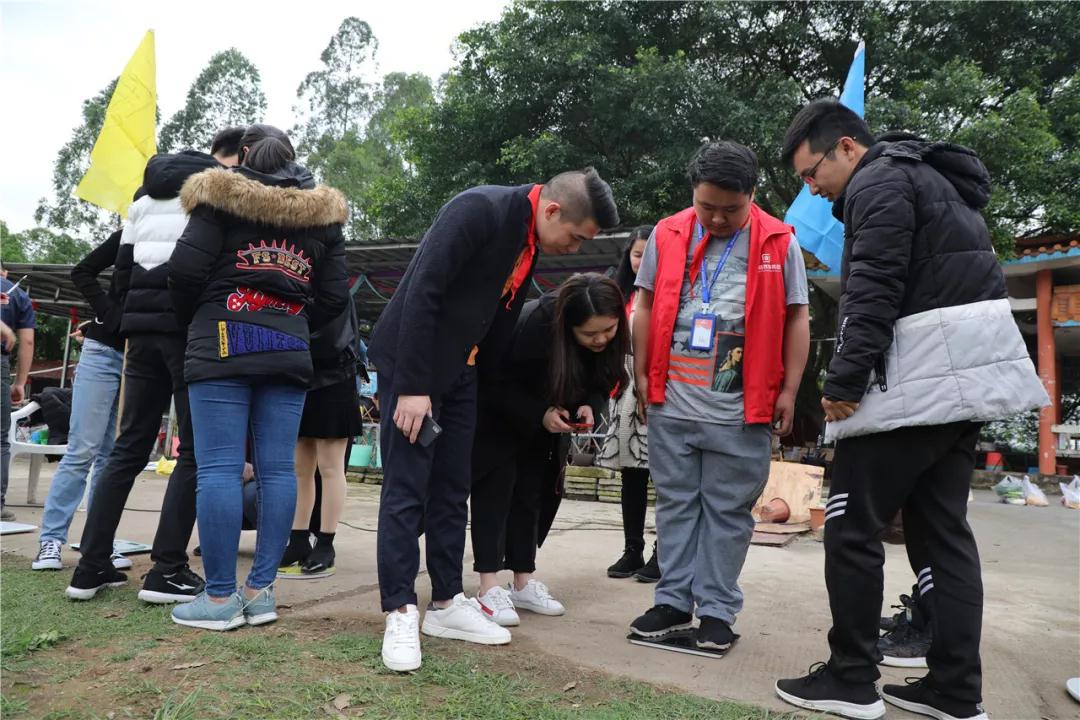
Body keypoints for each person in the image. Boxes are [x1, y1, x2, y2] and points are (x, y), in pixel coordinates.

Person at [774, 100, 1046, 720]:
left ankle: (850, 678)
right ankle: (955, 690)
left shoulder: (880, 182)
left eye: (811, 173)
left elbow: (873, 286)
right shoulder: (932, 179)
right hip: (963, 387)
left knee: (850, 527)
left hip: (914, 387)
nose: (811, 189)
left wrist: (844, 380)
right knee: (941, 534)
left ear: (846, 147)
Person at [368, 168, 619, 672]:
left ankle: (445, 603)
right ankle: (400, 609)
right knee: (407, 488)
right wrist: (414, 386)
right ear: (552, 210)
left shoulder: (528, 240)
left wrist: (482, 387)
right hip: (416, 369)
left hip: (464, 372)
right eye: (576, 237)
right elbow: (423, 290)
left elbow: (499, 319)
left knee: (452, 488)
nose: (574, 249)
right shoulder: (479, 210)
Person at [628, 141, 810, 653]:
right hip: (673, 400)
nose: (717, 218)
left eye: (731, 209)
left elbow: (797, 315)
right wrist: (641, 374)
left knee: (728, 513)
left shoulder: (779, 241)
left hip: (740, 408)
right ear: (693, 192)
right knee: (676, 505)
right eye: (707, 206)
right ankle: (672, 601)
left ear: (752, 194)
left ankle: (715, 610)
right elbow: (644, 304)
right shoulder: (667, 233)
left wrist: (790, 389)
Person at [167, 123, 348, 631]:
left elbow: (183, 272)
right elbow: (335, 297)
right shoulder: (324, 216)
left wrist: (200, 316)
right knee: (279, 472)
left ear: (244, 156)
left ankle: (219, 598)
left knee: (219, 470)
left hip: (221, 341)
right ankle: (261, 593)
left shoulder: (217, 199)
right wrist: (292, 319)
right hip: (287, 349)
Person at [65, 127, 245, 603]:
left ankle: (90, 566)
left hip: (140, 337)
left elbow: (122, 273)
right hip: (187, 334)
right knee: (193, 451)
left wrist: (119, 318)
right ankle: (167, 568)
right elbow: (208, 266)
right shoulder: (210, 195)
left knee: (128, 447)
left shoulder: (142, 201)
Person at [471, 273, 628, 626]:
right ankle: (488, 586)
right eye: (589, 334)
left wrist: (589, 405)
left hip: (546, 423)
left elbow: (604, 378)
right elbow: (495, 382)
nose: (601, 339)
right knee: (495, 492)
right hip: (499, 416)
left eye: (609, 330)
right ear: (567, 325)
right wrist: (538, 413)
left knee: (533, 494)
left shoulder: (609, 338)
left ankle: (522, 581)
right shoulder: (535, 325)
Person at [33, 234, 128, 571]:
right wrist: (107, 312)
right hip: (103, 351)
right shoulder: (130, 231)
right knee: (82, 449)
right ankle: (51, 539)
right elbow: (82, 271)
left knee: (112, 457)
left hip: (141, 356)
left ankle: (100, 543)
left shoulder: (187, 235)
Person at [278, 303, 361, 578]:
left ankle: (326, 543)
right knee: (300, 468)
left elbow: (336, 334)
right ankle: (298, 539)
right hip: (298, 375)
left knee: (330, 466)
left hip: (334, 374)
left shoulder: (335, 288)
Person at [597, 226, 659, 582]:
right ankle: (632, 549)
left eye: (650, 254)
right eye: (638, 254)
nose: (643, 260)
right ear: (628, 257)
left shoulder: (673, 293)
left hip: (662, 385)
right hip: (624, 388)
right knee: (632, 474)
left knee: (667, 476)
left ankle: (664, 554)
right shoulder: (617, 293)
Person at [1, 265, 36, 521]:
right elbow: (27, 341)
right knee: (0, 438)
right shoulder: (19, 295)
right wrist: (20, 382)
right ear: (4, 272)